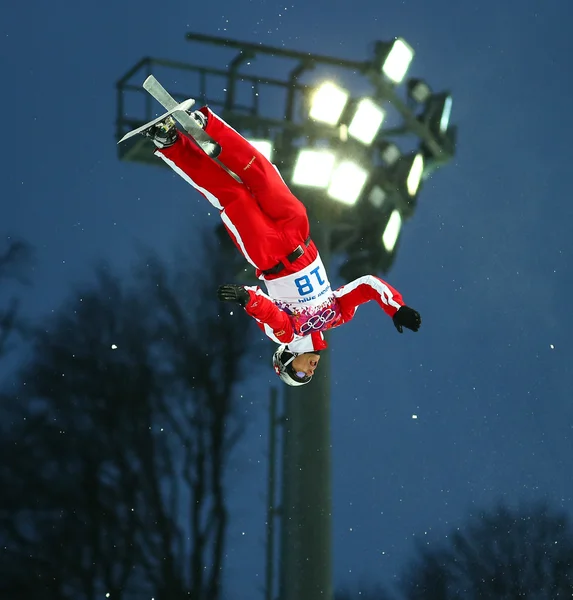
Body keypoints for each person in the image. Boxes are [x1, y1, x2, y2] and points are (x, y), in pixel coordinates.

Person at [139, 105, 422, 386]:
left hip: (269, 254)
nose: (309, 371)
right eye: (309, 376)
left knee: (233, 195)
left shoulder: (288, 335)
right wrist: (397, 308)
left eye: (299, 374)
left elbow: (269, 312)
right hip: (299, 235)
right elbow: (367, 286)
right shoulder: (339, 315)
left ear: (285, 360)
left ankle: (171, 144)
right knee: (265, 175)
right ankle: (207, 123)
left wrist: (246, 297)